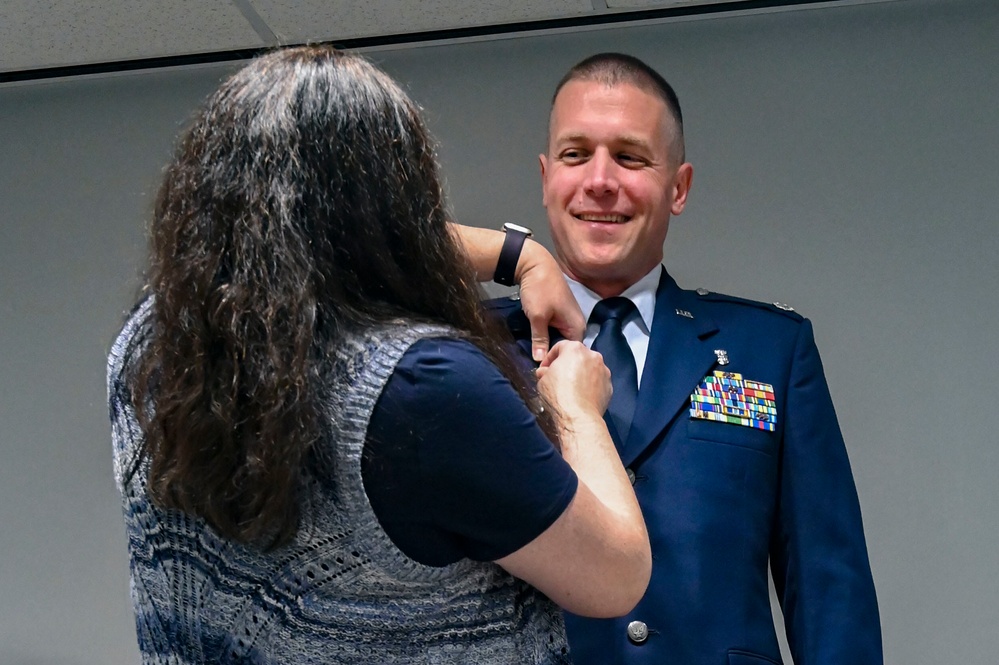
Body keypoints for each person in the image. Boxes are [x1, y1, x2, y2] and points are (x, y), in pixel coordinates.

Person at [107, 45, 651, 664]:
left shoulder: (153, 339)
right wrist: (576, 406)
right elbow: (617, 575)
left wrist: (518, 254)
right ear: (396, 205)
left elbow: (287, 249)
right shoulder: (426, 388)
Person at [491, 52, 882, 664]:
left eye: (630, 156)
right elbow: (326, 260)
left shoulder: (771, 350)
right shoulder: (470, 349)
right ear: (545, 179)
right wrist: (515, 255)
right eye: (575, 155)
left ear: (678, 187)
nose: (599, 179)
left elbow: (829, 585)